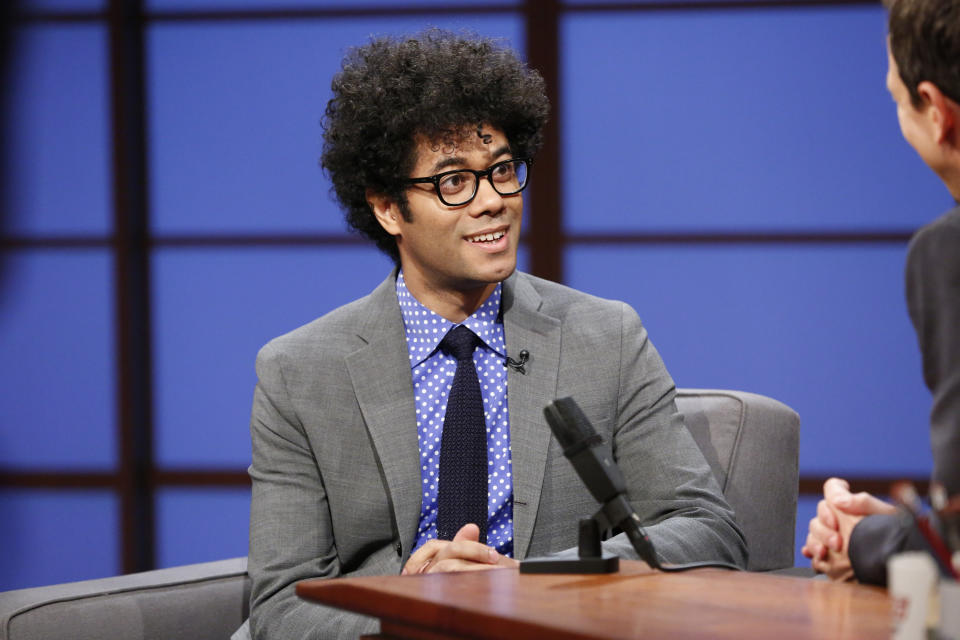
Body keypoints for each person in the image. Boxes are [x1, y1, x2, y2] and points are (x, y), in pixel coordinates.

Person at [243, 29, 746, 639]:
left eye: (502, 170)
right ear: (386, 208)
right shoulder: (300, 371)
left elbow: (705, 526)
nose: (493, 202)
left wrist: (520, 587)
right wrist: (406, 609)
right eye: (453, 181)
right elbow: (278, 602)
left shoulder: (605, 335)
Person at [801, 0, 960, 585]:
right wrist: (910, 531)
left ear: (938, 112)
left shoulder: (949, 252)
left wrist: (864, 541)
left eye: (898, 99)